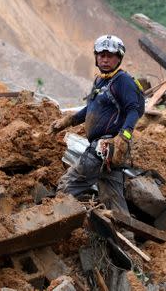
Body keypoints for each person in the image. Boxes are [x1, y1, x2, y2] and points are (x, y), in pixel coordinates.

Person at [50, 34, 144, 213]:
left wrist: (123, 136)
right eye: (101, 55)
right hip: (106, 150)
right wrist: (68, 121)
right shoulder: (101, 81)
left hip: (107, 146)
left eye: (110, 56)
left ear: (119, 58)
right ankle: (125, 233)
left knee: (68, 185)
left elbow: (133, 110)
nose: (105, 59)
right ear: (96, 57)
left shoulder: (122, 81)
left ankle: (57, 223)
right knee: (112, 196)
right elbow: (91, 109)